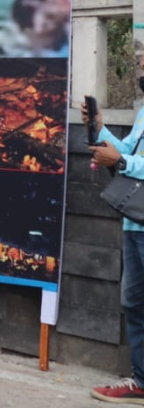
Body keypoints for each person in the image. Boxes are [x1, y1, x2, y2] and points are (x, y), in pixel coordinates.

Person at [88, 55, 144, 405]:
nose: (141, 69)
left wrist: (121, 162)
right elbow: (130, 151)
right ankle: (141, 381)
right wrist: (101, 130)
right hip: (134, 220)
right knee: (133, 302)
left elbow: (128, 160)